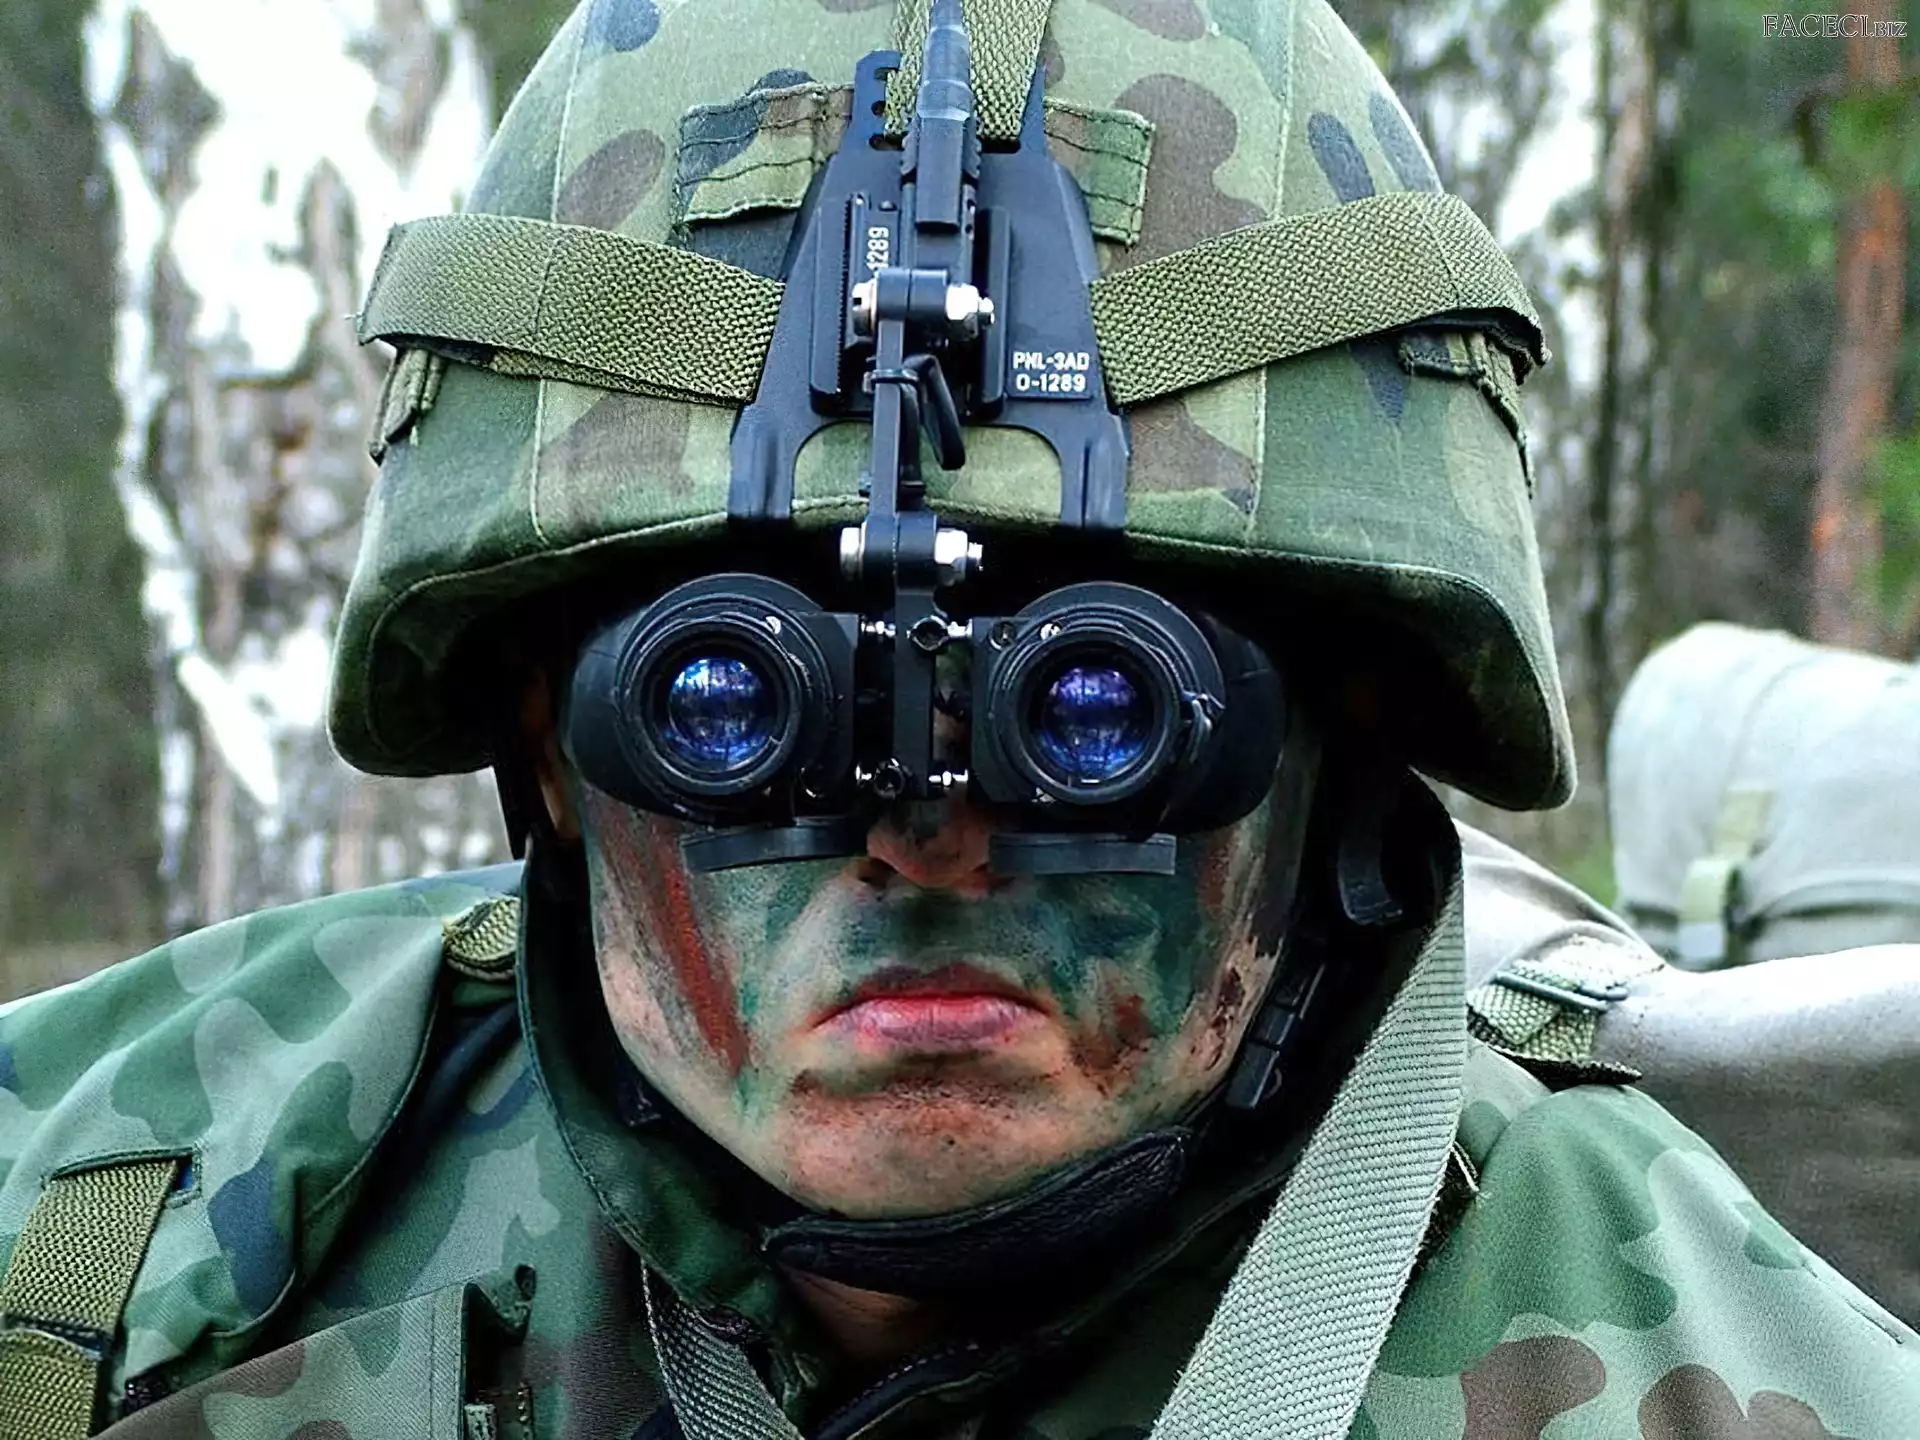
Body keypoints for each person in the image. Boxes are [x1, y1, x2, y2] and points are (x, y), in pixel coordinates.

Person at [2, 0, 1915, 1435]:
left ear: (1335, 741)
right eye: (727, 695)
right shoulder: (104, 1247)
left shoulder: (1741, 1383)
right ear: (549, 750)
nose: (923, 837)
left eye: (1098, 702)